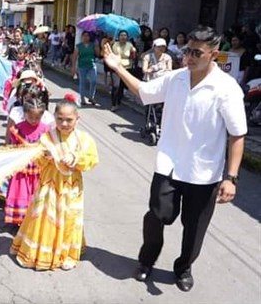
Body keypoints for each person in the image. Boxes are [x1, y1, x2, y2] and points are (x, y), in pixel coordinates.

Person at [103, 26, 247, 292]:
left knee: (194, 228)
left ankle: (183, 268)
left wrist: (231, 178)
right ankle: (146, 261)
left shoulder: (227, 89)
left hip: (204, 173)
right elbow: (144, 92)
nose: (188, 58)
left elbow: (237, 135)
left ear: (213, 55)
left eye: (196, 53)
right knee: (157, 216)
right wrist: (117, 68)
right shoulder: (176, 79)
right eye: (186, 51)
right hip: (168, 166)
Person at [10, 93, 98, 270]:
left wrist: (76, 158)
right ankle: (42, 252)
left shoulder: (84, 139)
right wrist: (46, 157)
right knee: (46, 218)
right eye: (60, 119)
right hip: (49, 185)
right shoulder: (47, 137)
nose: (64, 124)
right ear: (54, 118)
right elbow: (38, 160)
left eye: (69, 120)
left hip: (72, 187)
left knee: (69, 218)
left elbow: (92, 159)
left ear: (77, 119)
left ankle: (66, 253)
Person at [4, 98, 51, 225]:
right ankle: (20, 219)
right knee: (21, 192)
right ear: (24, 114)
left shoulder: (46, 130)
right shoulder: (17, 129)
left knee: (36, 194)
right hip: (21, 169)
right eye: (31, 117)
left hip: (39, 169)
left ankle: (34, 219)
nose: (34, 120)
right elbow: (13, 146)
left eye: (37, 118)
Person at [110, 30, 136, 111]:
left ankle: (118, 102)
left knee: (121, 87)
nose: (123, 37)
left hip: (126, 68)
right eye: (121, 35)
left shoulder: (130, 45)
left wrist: (134, 51)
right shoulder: (114, 44)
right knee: (116, 86)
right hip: (116, 68)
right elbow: (110, 54)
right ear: (119, 36)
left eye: (125, 35)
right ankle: (114, 104)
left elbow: (133, 57)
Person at [71, 31, 99, 106]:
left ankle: (91, 97)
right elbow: (75, 56)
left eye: (87, 36)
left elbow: (98, 54)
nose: (86, 37)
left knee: (93, 81)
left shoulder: (93, 45)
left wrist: (97, 46)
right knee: (82, 83)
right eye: (84, 36)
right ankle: (82, 98)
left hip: (92, 65)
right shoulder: (78, 46)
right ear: (82, 37)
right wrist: (73, 66)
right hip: (82, 66)